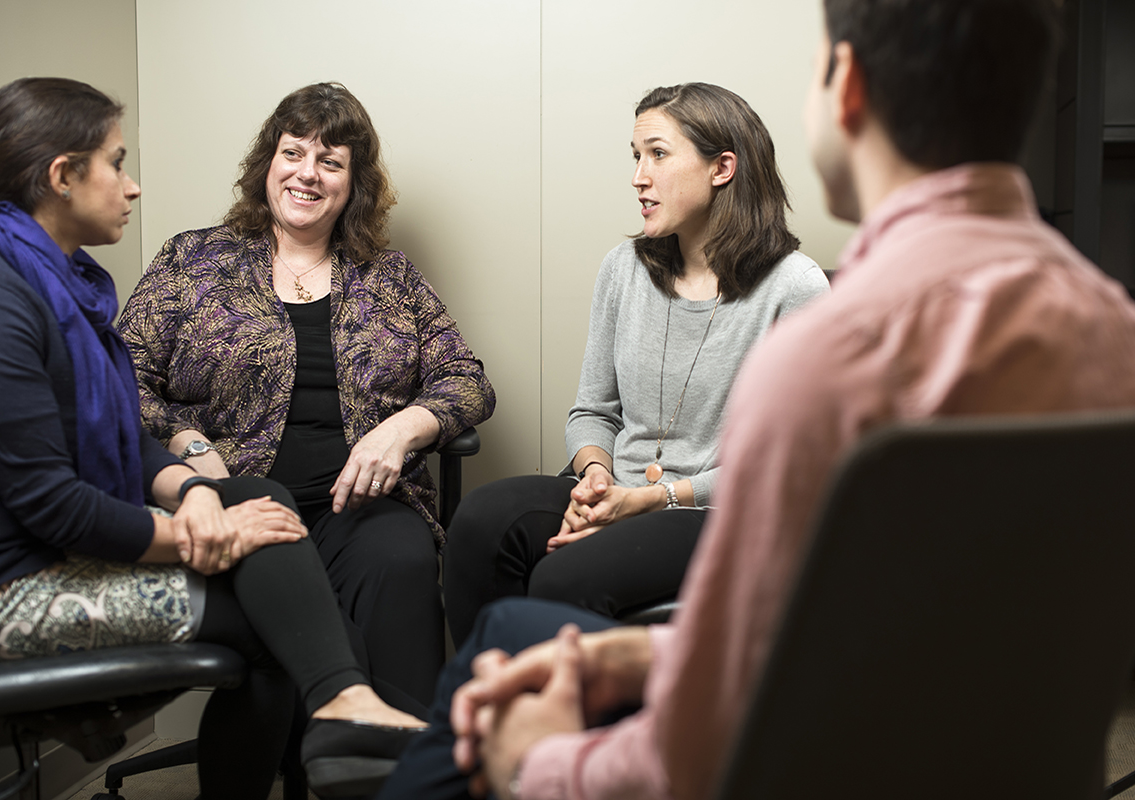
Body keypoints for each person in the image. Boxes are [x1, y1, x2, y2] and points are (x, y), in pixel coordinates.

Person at [374, 1, 1135, 799]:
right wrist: (641, 651)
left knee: (491, 701)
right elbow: (884, 631)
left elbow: (716, 728)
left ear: (845, 84)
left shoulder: (829, 354)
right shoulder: (1115, 338)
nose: (638, 172)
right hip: (987, 755)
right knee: (509, 620)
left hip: (814, 751)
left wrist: (538, 762)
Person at [0, 77, 433, 800]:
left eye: (330, 161)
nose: (132, 186)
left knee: (262, 511)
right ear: (62, 176)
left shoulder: (48, 281)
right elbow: (55, 505)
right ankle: (344, 708)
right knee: (276, 623)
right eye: (116, 162)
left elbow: (110, 430)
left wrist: (195, 492)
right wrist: (205, 534)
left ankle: (342, 711)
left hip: (52, 546)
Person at [118, 82, 495, 711]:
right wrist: (187, 442)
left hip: (364, 507)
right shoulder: (195, 261)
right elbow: (117, 374)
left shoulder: (389, 275)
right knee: (281, 582)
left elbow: (466, 377)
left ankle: (401, 767)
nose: (308, 174)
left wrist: (403, 429)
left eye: (331, 161)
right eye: (293, 153)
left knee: (401, 561)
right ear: (268, 162)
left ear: (354, 183)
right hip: (240, 498)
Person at [442, 83, 828, 646]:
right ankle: (487, 721)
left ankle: (558, 728)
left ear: (722, 167)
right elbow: (592, 411)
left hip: (720, 512)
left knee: (563, 577)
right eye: (635, 156)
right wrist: (595, 478)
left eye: (658, 154)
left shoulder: (794, 288)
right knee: (480, 523)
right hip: (618, 487)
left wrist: (648, 499)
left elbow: (792, 467)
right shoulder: (624, 269)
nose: (638, 176)